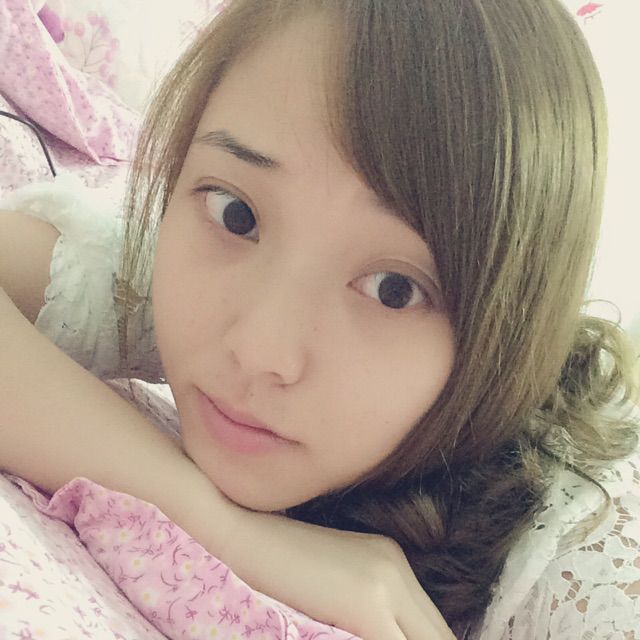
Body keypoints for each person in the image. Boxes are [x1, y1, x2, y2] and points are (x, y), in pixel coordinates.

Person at [1, 0, 639, 638]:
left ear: (507, 331)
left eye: (393, 290)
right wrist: (220, 525)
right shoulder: (172, 265)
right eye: (239, 214)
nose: (260, 349)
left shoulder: (590, 546)